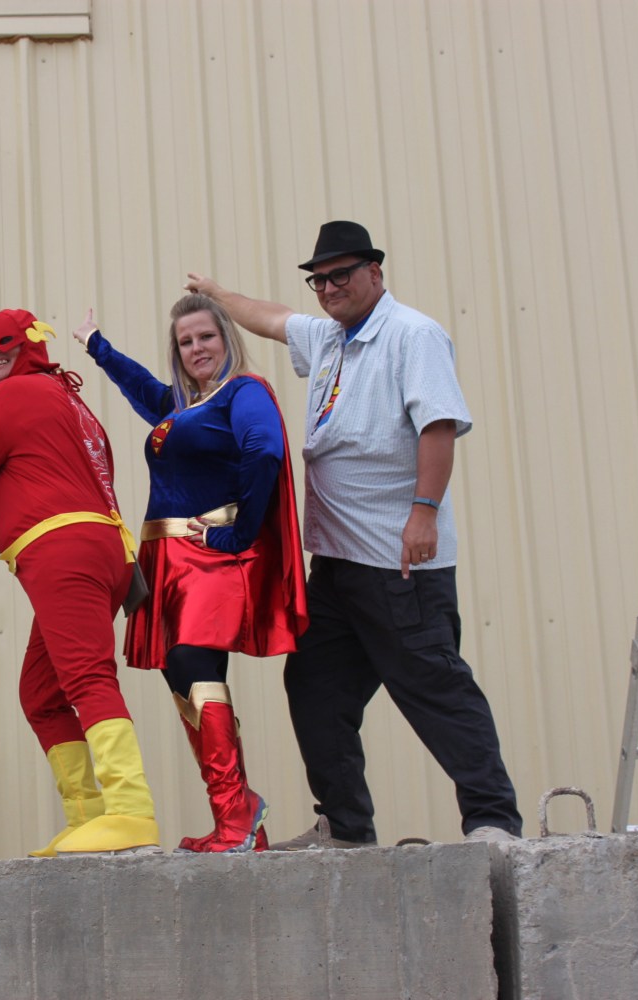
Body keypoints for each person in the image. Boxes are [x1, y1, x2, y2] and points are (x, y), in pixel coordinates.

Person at [186, 220, 523, 848]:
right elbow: (272, 318)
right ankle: (344, 828)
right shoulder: (330, 337)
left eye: (341, 274)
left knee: (434, 686)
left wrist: (424, 512)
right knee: (314, 685)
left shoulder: (411, 334)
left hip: (397, 559)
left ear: (375, 272)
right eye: (319, 280)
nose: (329, 288)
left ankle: (493, 820)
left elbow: (438, 426)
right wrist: (216, 294)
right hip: (336, 564)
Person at [74, 296, 308, 853]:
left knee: (191, 663)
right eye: (185, 342)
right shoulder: (186, 406)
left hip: (208, 558)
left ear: (227, 337)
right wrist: (98, 348)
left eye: (206, 337)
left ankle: (237, 815)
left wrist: (239, 534)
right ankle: (237, 817)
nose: (196, 348)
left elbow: (265, 452)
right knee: (183, 677)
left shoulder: (243, 392)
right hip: (169, 562)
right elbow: (147, 392)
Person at [0, 308, 161, 857]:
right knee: (42, 694)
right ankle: (88, 817)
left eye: (5, 345)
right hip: (104, 552)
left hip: (61, 551)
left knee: (87, 676)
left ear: (29, 346)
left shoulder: (13, 396)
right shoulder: (71, 399)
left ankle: (130, 810)